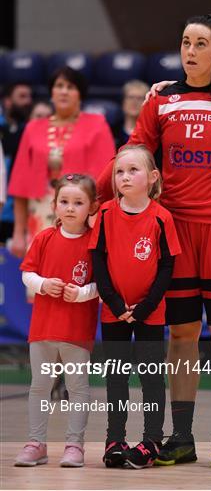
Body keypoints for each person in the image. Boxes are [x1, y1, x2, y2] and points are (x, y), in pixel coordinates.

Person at [97, 14, 211, 469]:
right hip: (175, 229)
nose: (191, 50)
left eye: (201, 42)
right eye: (185, 42)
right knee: (180, 333)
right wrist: (91, 201)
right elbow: (131, 156)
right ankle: (180, 437)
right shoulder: (161, 101)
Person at [90, 144, 181, 469]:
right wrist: (114, 302)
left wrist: (144, 307)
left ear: (153, 177)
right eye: (119, 172)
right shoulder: (103, 215)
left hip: (149, 313)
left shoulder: (161, 218)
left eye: (133, 170)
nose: (125, 177)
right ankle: (114, 438)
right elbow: (98, 260)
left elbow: (168, 266)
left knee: (151, 378)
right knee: (116, 378)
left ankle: (152, 440)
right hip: (112, 311)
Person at [14, 174, 99, 468]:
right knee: (40, 386)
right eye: (64, 201)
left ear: (92, 207)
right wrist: (41, 284)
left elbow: (103, 285)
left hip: (76, 330)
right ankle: (36, 443)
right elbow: (26, 273)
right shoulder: (44, 238)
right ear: (54, 205)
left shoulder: (94, 243)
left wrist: (83, 293)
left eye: (78, 202)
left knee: (77, 387)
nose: (70, 208)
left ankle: (75, 444)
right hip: (44, 328)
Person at [8, 66, 115, 259]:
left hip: (82, 212)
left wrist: (97, 224)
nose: (64, 91)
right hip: (39, 212)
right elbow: (20, 184)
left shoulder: (97, 124)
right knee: (40, 276)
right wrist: (18, 233)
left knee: (76, 273)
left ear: (80, 94)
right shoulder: (33, 127)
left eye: (70, 86)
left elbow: (106, 179)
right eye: (59, 86)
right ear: (51, 92)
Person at [0, 82, 33, 243]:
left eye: (29, 97)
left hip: (16, 213)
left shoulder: (29, 131)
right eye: (22, 96)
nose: (28, 101)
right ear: (7, 101)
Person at [112, 80, 150, 150]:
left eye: (139, 98)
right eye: (130, 97)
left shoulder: (152, 133)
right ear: (123, 101)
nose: (134, 102)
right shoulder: (112, 132)